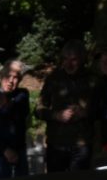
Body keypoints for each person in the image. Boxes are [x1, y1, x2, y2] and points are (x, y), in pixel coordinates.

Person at [41, 43, 97, 171]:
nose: (69, 63)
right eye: (65, 59)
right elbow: (39, 110)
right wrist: (56, 115)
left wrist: (86, 113)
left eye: (74, 59)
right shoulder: (53, 79)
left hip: (82, 145)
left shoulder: (93, 79)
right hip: (57, 144)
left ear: (82, 59)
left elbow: (104, 109)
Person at [0, 61, 33, 179]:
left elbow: (21, 117)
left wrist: (6, 106)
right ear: (2, 76)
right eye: (8, 76)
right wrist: (4, 149)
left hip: (18, 155)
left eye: (16, 78)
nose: (11, 81)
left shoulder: (22, 94)